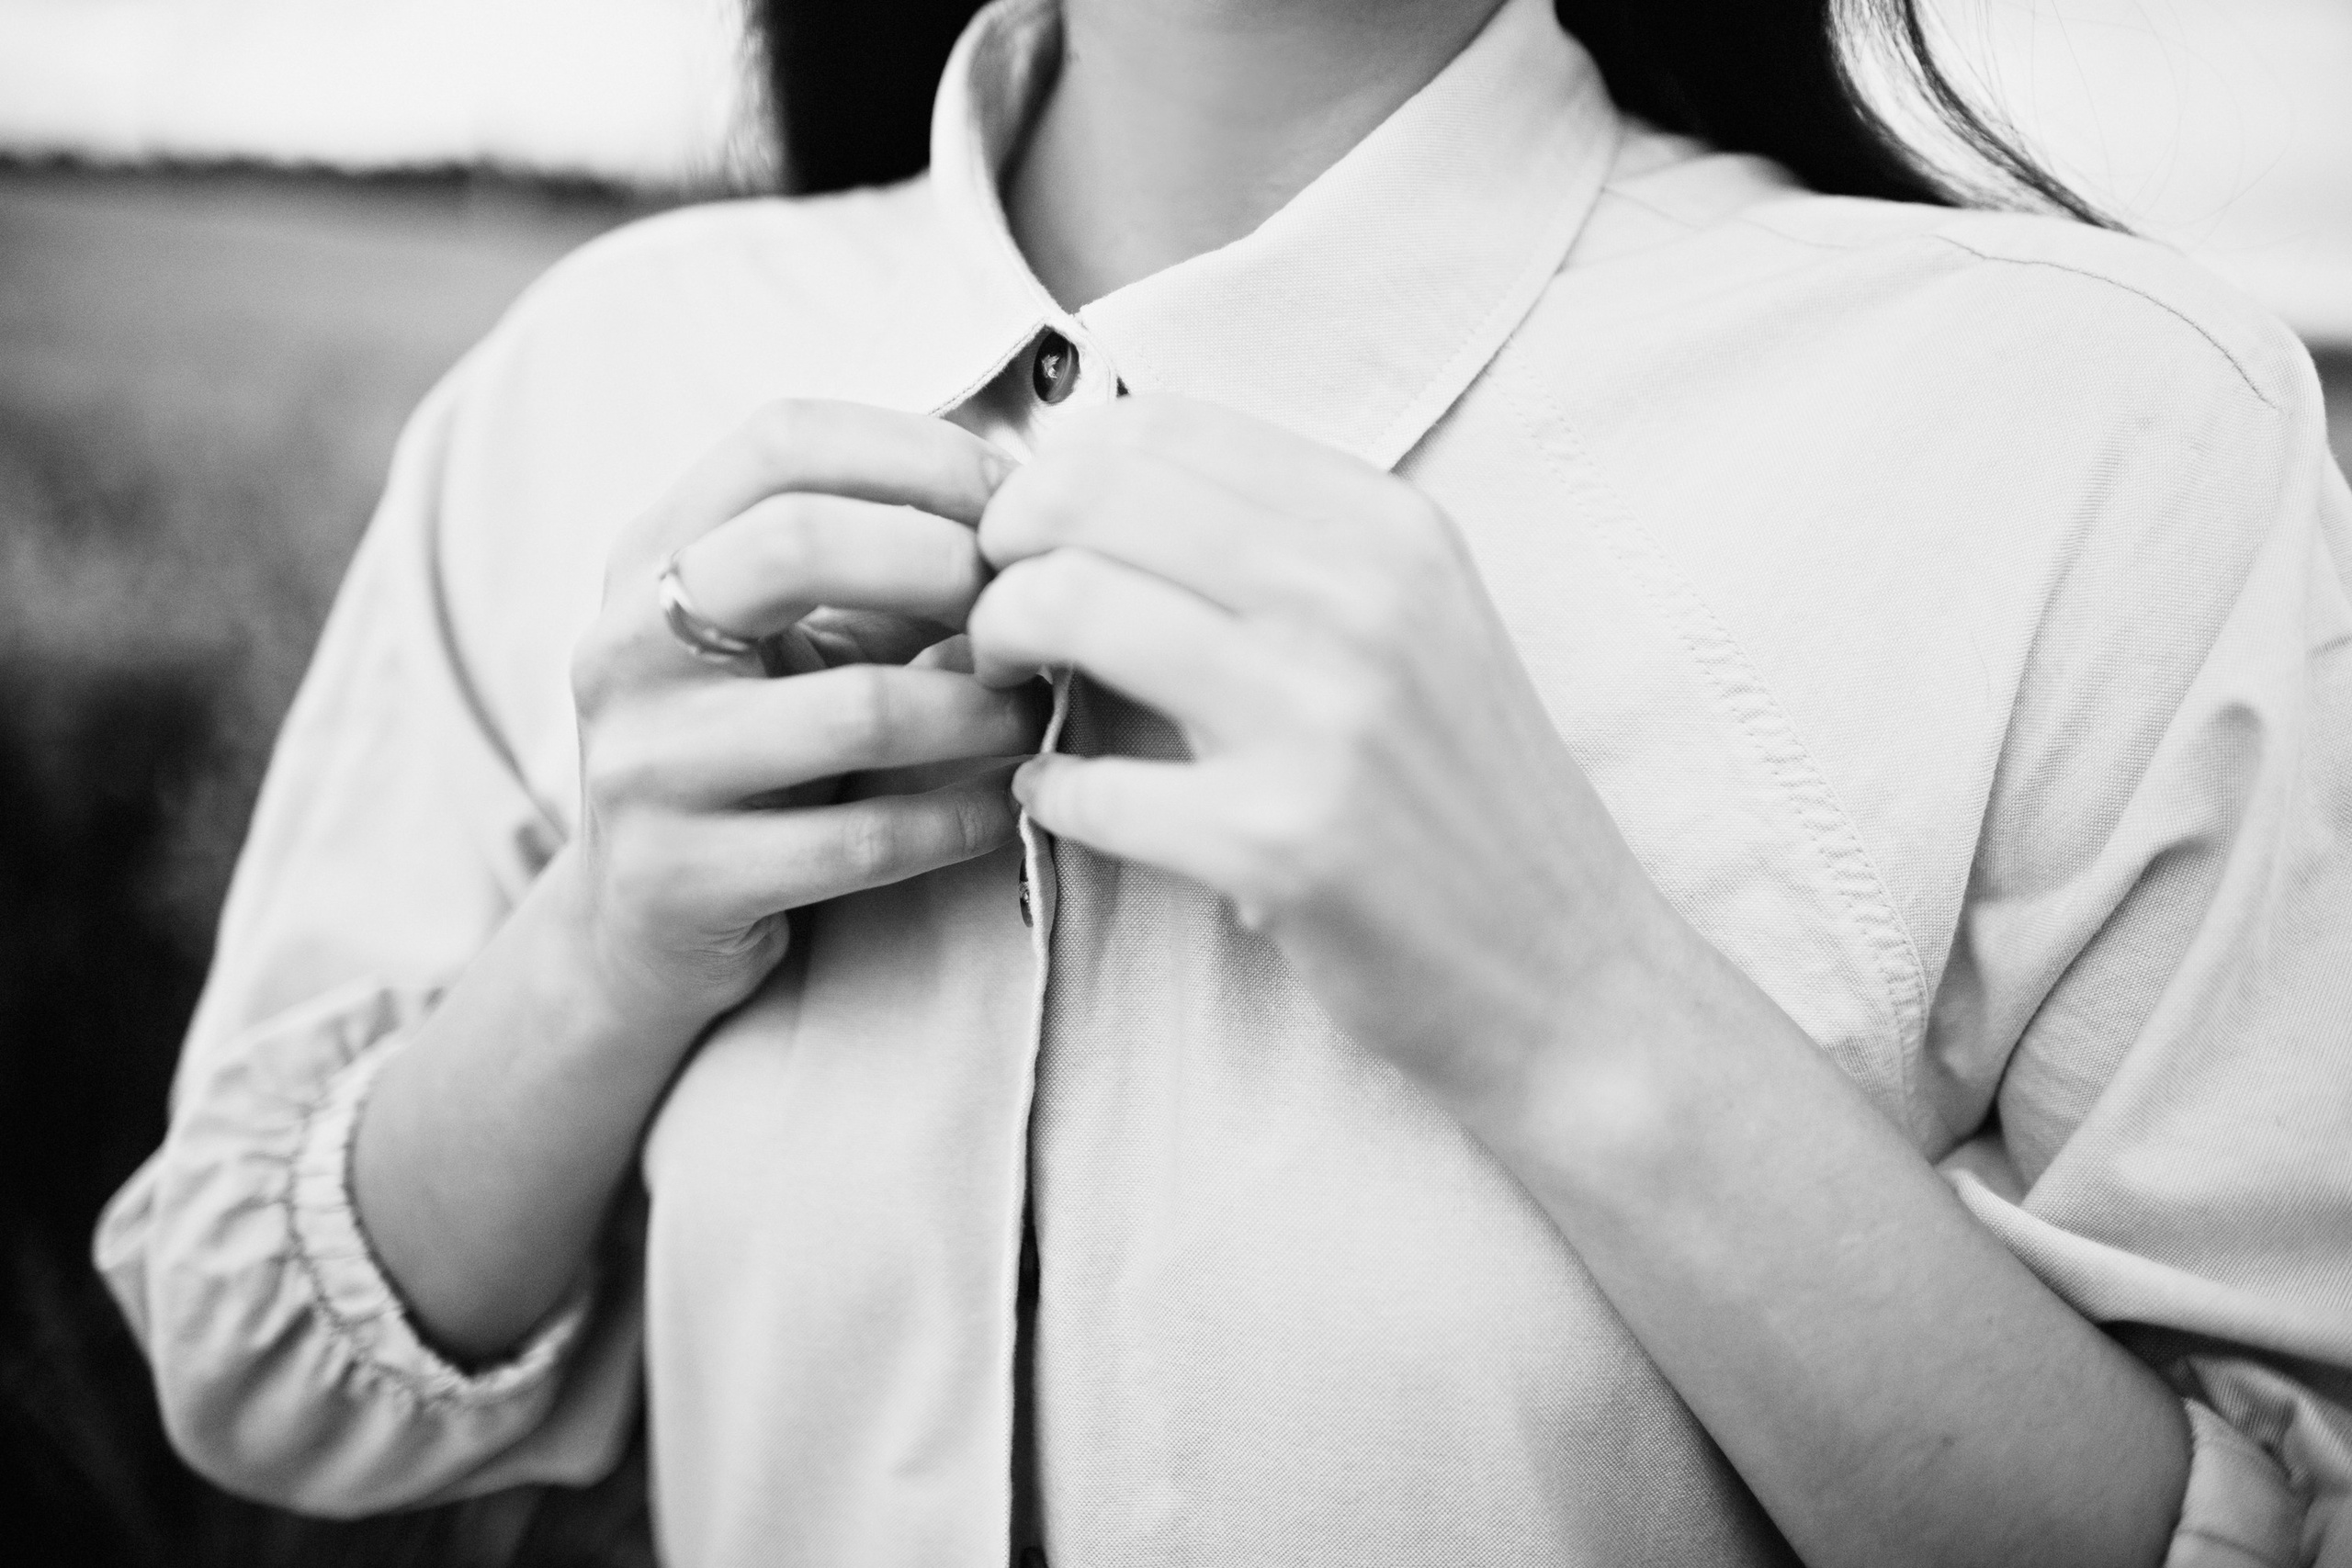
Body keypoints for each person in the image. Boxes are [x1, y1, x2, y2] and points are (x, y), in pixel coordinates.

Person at [96, 0, 2352, 1563]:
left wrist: (1566, 992)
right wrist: (601, 953)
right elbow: (250, 1359)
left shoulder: (2100, 434)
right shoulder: (587, 381)